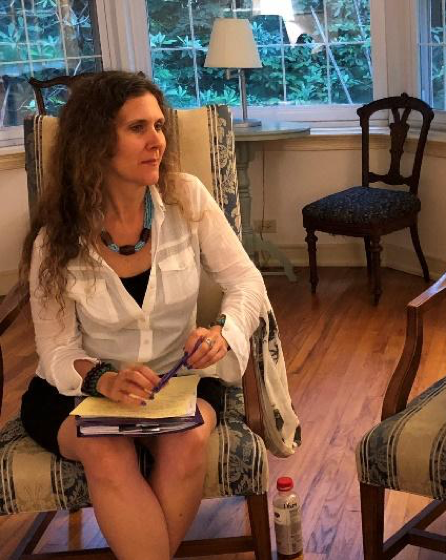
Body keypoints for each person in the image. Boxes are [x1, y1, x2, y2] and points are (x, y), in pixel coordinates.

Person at [18, 71, 266, 560]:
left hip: (180, 378)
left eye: (159, 125)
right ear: (93, 143)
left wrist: (222, 331)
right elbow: (56, 348)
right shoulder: (56, 239)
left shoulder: (186, 198)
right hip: (82, 392)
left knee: (189, 436)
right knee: (105, 450)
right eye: (138, 128)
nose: (158, 141)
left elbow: (247, 283)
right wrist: (103, 379)